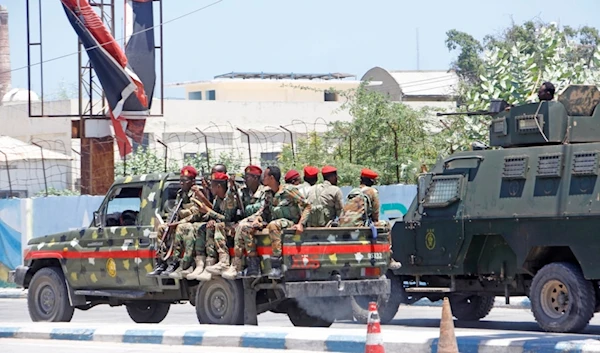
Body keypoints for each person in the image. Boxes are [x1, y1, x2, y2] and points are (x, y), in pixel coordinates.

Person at [224, 166, 311, 279]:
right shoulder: (268, 193)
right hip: (274, 222)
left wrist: (301, 224)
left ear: (272, 177)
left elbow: (307, 206)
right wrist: (257, 220)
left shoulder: (288, 190)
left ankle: (277, 266)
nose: (262, 178)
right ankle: (253, 265)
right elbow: (264, 211)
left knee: (273, 225)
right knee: (245, 227)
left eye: (265, 176)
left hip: (289, 222)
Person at [338, 168, 401, 270]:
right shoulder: (372, 192)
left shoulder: (353, 192)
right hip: (358, 226)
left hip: (342, 226)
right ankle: (389, 257)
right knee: (386, 225)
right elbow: (376, 217)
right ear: (372, 182)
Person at [150, 166, 207, 277]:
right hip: (182, 222)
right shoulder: (181, 194)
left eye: (184, 180)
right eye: (180, 180)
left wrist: (178, 222)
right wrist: (169, 222)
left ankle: (177, 262)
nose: (181, 183)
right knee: (162, 228)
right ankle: (161, 262)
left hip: (196, 223)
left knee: (183, 227)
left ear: (192, 181)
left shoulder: (198, 193)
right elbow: (175, 210)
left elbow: (196, 214)